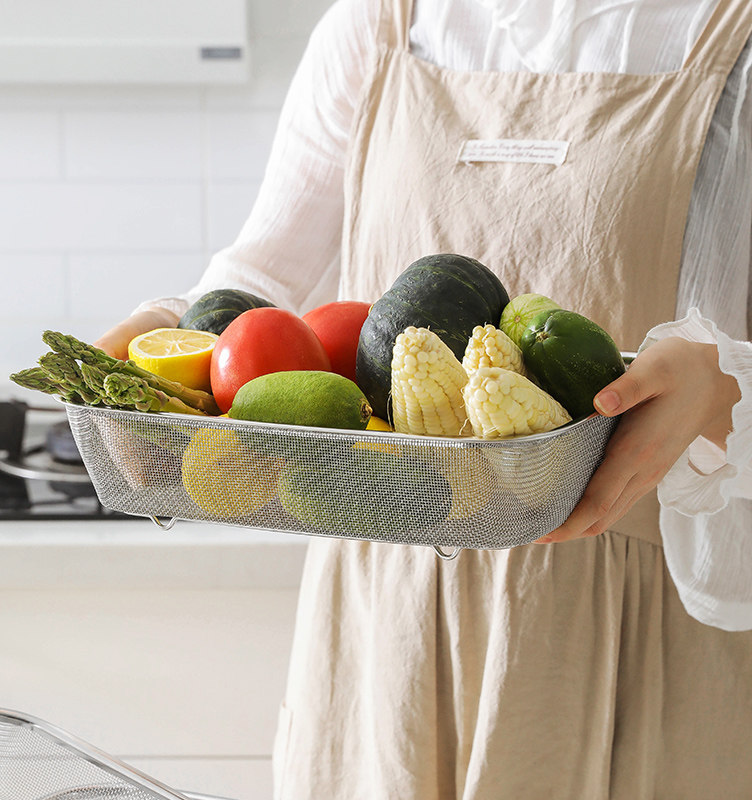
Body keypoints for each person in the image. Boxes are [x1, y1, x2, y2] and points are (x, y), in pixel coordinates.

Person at [97, 0, 752, 796]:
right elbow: (261, 278)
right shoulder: (375, 25)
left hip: (623, 616)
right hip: (386, 600)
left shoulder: (734, 34)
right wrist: (160, 327)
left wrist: (725, 390)